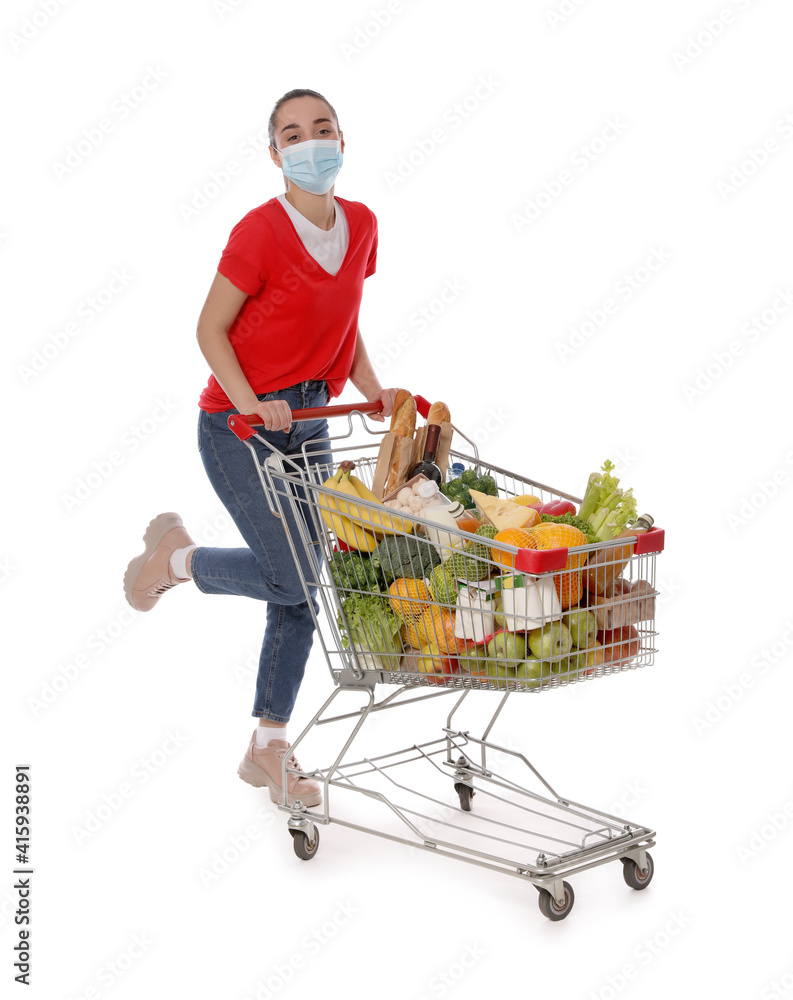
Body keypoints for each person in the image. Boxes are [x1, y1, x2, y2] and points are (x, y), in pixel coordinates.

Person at [123, 88, 397, 808]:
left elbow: (346, 321)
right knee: (298, 577)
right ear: (275, 154)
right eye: (293, 134)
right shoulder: (258, 233)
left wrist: (374, 386)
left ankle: (267, 747)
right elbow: (208, 331)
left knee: (300, 587)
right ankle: (174, 560)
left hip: (313, 419)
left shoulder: (362, 224)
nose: (312, 143)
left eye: (324, 128)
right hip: (239, 429)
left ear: (344, 139)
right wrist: (253, 405)